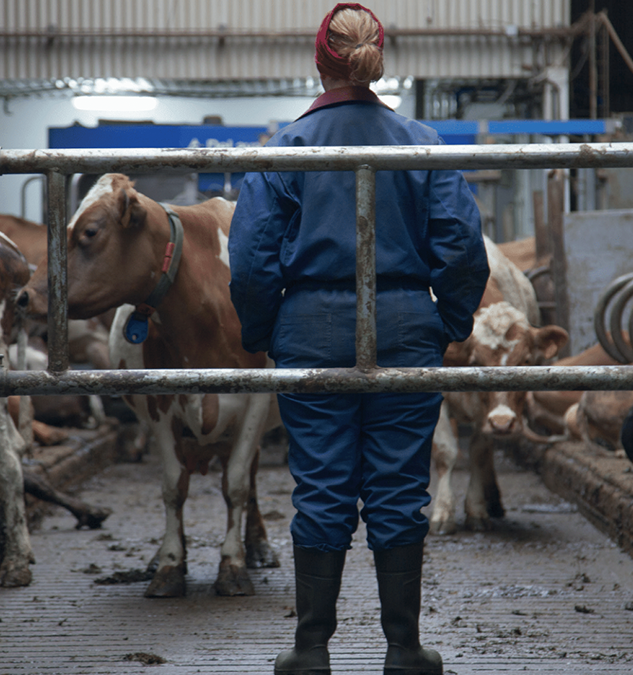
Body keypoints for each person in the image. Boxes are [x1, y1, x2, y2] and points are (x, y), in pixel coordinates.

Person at [227, 5, 489, 674]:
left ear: (320, 62)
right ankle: (403, 648)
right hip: (405, 323)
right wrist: (451, 322)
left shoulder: (286, 148)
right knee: (401, 486)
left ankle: (311, 649)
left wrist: (261, 331)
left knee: (320, 484)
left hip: (311, 327)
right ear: (378, 59)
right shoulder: (420, 142)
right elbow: (460, 247)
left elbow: (254, 256)